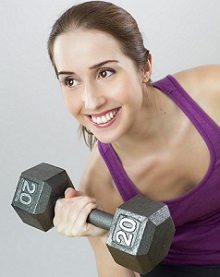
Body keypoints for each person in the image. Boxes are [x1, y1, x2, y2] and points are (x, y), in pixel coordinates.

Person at [47, 1, 220, 276]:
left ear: (144, 67)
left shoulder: (214, 93)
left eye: (105, 72)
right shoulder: (99, 188)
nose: (91, 101)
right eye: (71, 81)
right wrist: (103, 234)